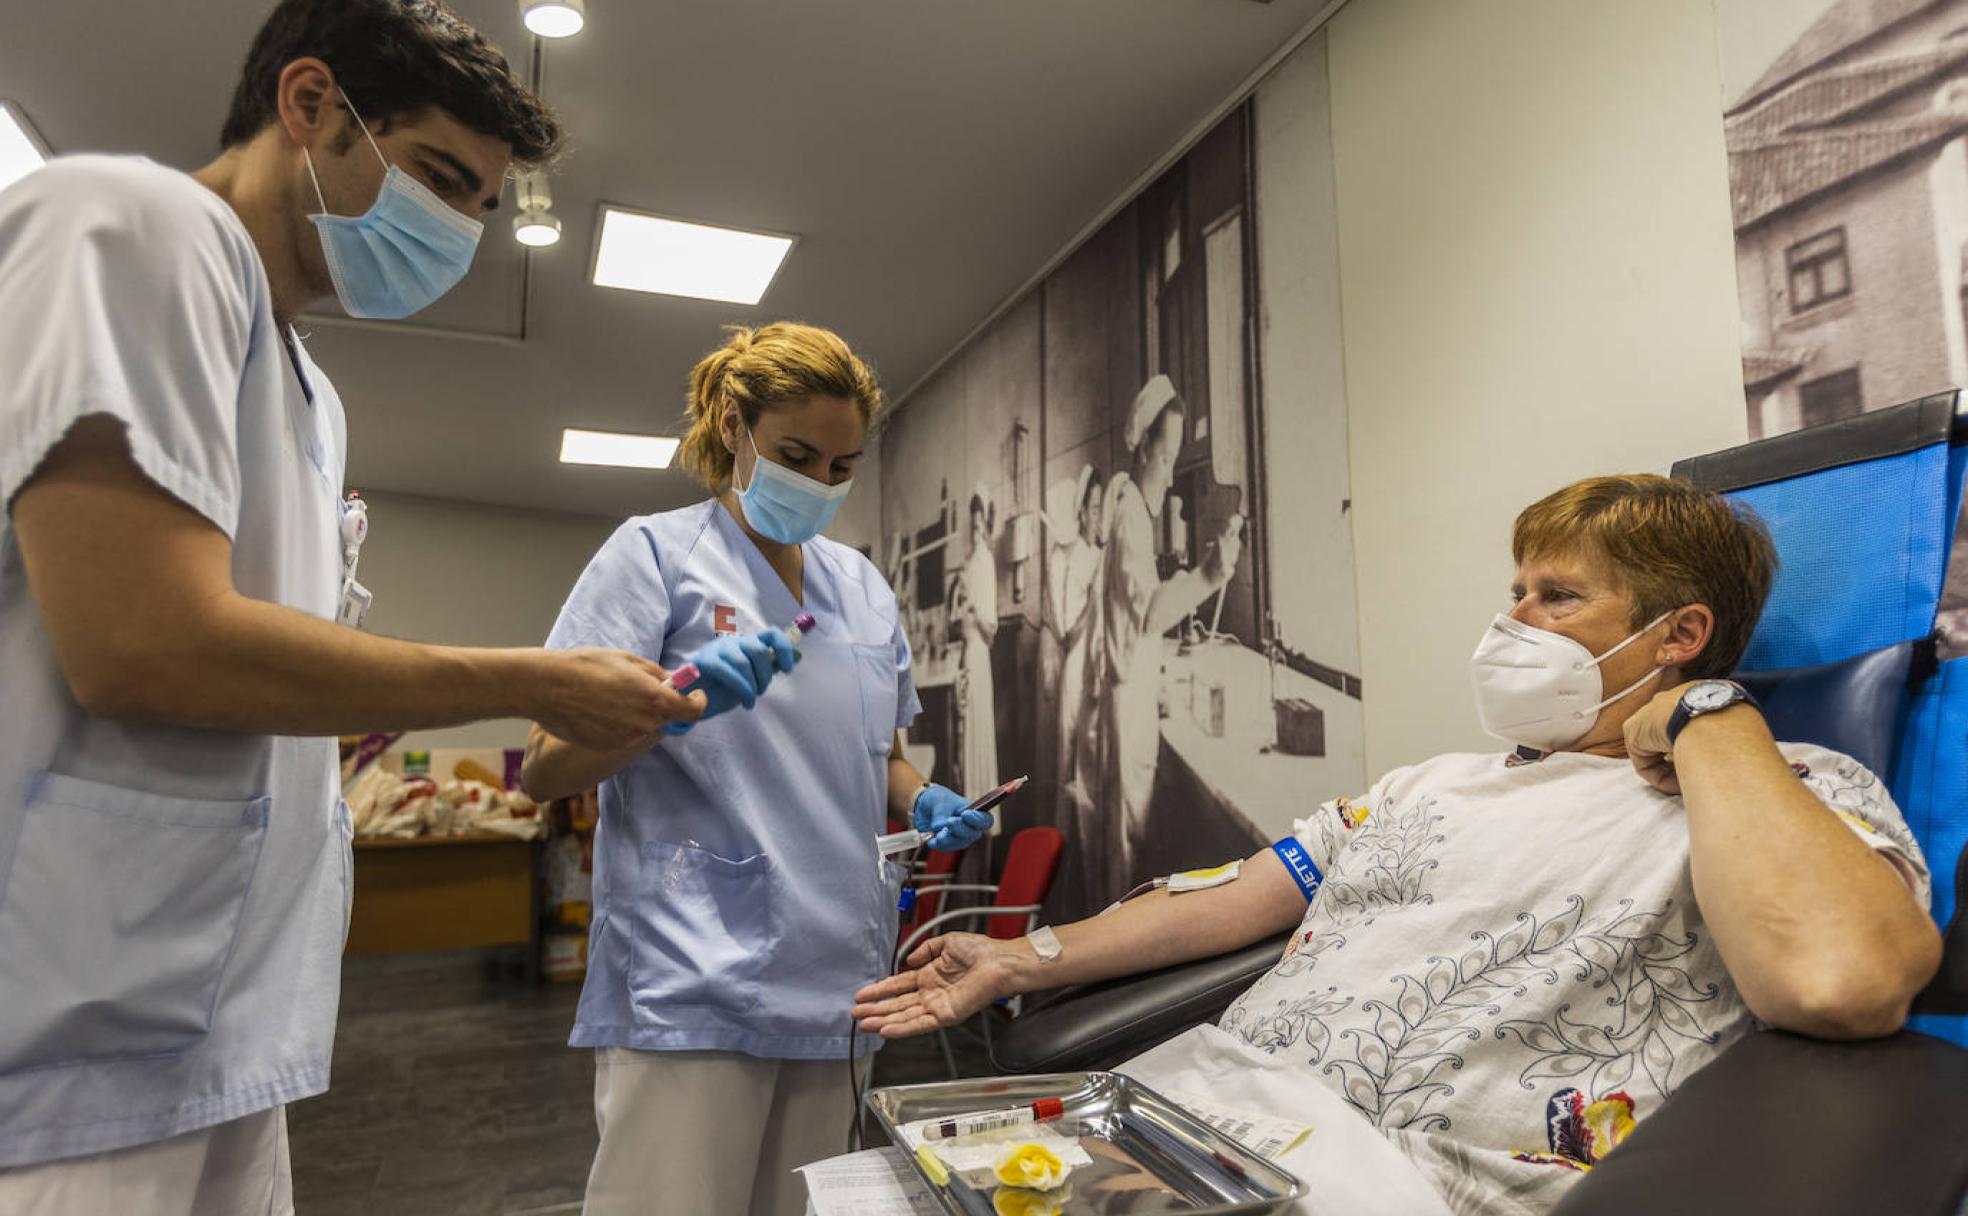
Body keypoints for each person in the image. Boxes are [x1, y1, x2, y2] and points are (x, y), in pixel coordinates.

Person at [0, 4, 700, 1212]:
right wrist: (536, 679)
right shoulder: (133, 225)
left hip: (220, 1021)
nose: (456, 232)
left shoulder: (313, 399)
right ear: (310, 103)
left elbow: (292, 681)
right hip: (67, 1018)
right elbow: (141, 645)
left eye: (479, 208)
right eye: (437, 175)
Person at [853, 474, 1943, 1216]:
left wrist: (1710, 720)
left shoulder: (1790, 786)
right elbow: (1227, 896)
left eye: (1556, 597)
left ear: (1681, 635)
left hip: (1390, 1182)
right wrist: (1024, 955)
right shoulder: (1427, 785)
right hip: (1188, 1119)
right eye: (1514, 591)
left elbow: (1839, 977)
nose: (1513, 624)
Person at [521, 323, 996, 1216]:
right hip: (694, 970)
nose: (819, 483)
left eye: (841, 466)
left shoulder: (861, 586)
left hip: (840, 980)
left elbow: (880, 756)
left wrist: (922, 795)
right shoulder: (655, 557)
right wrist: (672, 703)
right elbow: (545, 769)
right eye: (797, 454)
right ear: (733, 426)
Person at [1091, 374, 1244, 898]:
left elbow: (1140, 621)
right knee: (1125, 836)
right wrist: (1208, 575)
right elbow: (1153, 614)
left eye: (1175, 456)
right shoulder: (1130, 515)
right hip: (1122, 701)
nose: (1171, 469)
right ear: (1143, 452)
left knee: (1131, 831)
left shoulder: (1136, 511)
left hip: (1134, 690)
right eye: (1165, 456)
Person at [1040, 465, 1106, 897]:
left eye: (1099, 508)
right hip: (1066, 662)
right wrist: (1059, 643)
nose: (1093, 515)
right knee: (1063, 753)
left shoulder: (1096, 557)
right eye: (1090, 507)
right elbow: (1054, 612)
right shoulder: (1061, 556)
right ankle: (1061, 863)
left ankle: (1086, 864)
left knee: (1086, 756)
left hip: (1087, 658)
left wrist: (1073, 634)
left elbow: (1089, 614)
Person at [957, 485, 1001, 797]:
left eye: (979, 526)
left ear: (987, 526)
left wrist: (971, 609)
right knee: (969, 732)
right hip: (969, 654)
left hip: (978, 654)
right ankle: (972, 802)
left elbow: (991, 630)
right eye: (972, 526)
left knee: (977, 731)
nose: (975, 532)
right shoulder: (972, 563)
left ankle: (979, 803)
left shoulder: (985, 562)